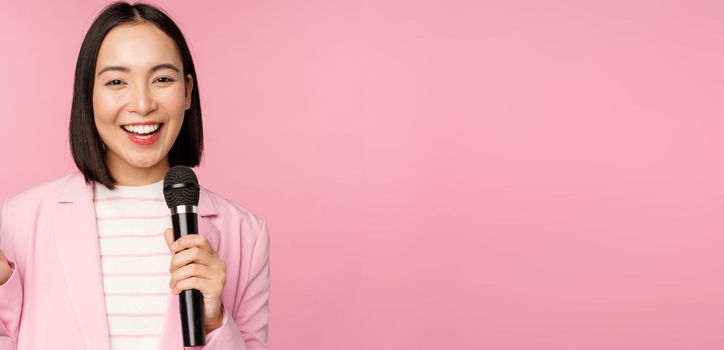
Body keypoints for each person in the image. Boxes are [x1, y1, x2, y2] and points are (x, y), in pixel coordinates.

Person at [0, 2, 270, 349]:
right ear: (89, 94)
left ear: (187, 92)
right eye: (116, 81)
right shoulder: (18, 221)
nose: (142, 104)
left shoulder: (246, 234)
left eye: (161, 79)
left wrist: (215, 321)